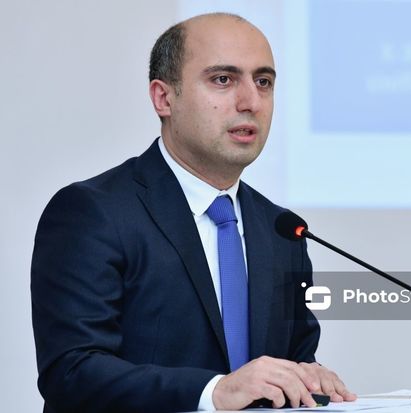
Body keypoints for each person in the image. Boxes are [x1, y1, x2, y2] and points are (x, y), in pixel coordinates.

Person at [31, 13, 356, 413]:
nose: (250, 102)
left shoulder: (280, 229)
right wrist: (213, 392)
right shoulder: (93, 212)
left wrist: (309, 377)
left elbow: (291, 361)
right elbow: (71, 372)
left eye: (263, 82)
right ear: (164, 98)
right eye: (223, 79)